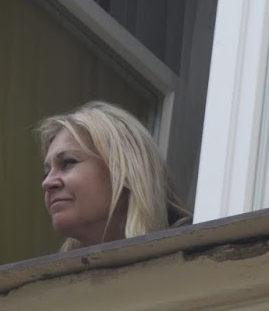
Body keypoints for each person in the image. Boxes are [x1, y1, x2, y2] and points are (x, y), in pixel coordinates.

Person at [38, 101, 179, 248]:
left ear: (124, 170)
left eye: (68, 162)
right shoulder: (58, 270)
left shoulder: (196, 254)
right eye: (47, 173)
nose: (47, 183)